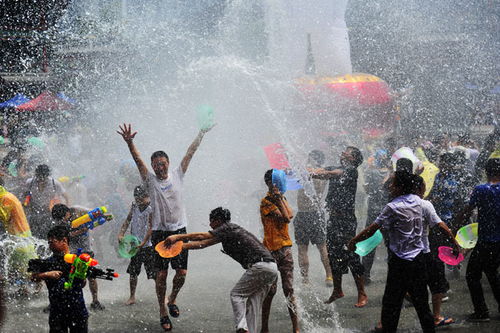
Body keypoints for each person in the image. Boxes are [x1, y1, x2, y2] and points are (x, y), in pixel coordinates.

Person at [117, 123, 213, 331]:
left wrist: (201, 133)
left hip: (179, 231)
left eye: (162, 163)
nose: (159, 168)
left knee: (182, 274)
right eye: (156, 165)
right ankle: (162, 311)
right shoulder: (150, 181)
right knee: (161, 275)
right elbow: (138, 160)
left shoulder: (178, 174)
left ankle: (172, 299)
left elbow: (190, 152)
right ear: (152, 167)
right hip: (160, 233)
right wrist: (130, 143)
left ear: (168, 163)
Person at [347, 171, 459, 333]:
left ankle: (388, 328)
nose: (390, 187)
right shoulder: (423, 204)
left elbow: (373, 229)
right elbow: (441, 226)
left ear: (400, 187)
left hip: (398, 262)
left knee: (391, 303)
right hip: (419, 261)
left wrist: (354, 241)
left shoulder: (392, 207)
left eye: (393, 184)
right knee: (421, 302)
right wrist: (454, 242)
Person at [164, 207, 278, 333]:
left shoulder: (227, 227)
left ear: (218, 221)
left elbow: (202, 236)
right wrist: (178, 247)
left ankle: (242, 328)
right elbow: (203, 243)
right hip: (271, 268)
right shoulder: (228, 231)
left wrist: (177, 237)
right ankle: (250, 330)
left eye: (211, 221)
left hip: (261, 265)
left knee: (236, 295)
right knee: (253, 302)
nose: (210, 224)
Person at [310, 146, 367, 308]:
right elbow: (321, 171)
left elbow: (330, 174)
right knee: (333, 253)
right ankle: (337, 290)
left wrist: (317, 173)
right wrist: (303, 170)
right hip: (333, 220)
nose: (343, 153)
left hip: (347, 220)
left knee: (351, 255)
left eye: (347, 152)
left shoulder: (351, 171)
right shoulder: (337, 168)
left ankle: (362, 293)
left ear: (354, 159)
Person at [458, 158, 500, 322]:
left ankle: (481, 311)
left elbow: (468, 211)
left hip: (486, 240)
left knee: (472, 275)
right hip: (498, 240)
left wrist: (455, 226)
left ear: (486, 171)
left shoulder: (481, 189)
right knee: (491, 272)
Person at [260, 169, 299, 333]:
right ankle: (265, 328)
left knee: (289, 289)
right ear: (269, 184)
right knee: (270, 291)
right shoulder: (266, 202)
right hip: (270, 251)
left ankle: (296, 328)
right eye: (275, 182)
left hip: (285, 249)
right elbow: (285, 218)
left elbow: (290, 215)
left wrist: (280, 198)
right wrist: (278, 199)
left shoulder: (282, 198)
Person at [30, 226, 88, 332]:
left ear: (64, 240)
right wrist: (47, 274)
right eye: (49, 243)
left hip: (77, 309)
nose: (50, 245)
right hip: (57, 311)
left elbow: (82, 284)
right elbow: (33, 278)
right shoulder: (47, 262)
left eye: (53, 242)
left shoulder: (77, 260)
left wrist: (81, 275)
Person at [51, 204, 105, 311]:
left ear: (67, 212)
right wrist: (80, 231)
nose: (62, 220)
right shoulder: (59, 222)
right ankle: (67, 300)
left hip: (86, 247)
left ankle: (95, 301)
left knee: (91, 274)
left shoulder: (77, 210)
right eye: (60, 219)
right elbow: (65, 236)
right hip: (72, 249)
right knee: (70, 275)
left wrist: (99, 217)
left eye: (63, 218)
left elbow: (93, 213)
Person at [293, 150, 332, 285]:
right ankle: (329, 276)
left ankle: (305, 279)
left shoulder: (304, 172)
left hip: (303, 213)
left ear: (311, 158)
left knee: (302, 248)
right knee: (322, 246)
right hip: (317, 213)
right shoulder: (323, 173)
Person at [117, 185, 154, 305]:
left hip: (148, 245)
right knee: (133, 272)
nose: (138, 201)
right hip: (135, 245)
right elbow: (127, 220)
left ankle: (161, 295)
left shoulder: (151, 208)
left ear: (147, 197)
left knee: (154, 273)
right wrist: (121, 234)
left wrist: (143, 242)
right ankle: (132, 296)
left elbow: (151, 227)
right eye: (136, 198)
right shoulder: (134, 206)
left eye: (140, 199)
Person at [362, 149, 390, 283]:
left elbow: (367, 190)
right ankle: (395, 272)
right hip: (388, 212)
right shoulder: (392, 174)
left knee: (369, 242)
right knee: (391, 243)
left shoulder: (371, 173)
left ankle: (365, 275)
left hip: (373, 211)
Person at [25, 164, 69, 239]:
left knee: (48, 235)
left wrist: (66, 212)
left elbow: (66, 197)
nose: (41, 181)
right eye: (39, 178)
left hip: (49, 215)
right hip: (34, 214)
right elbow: (25, 196)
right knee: (34, 236)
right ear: (36, 175)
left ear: (47, 176)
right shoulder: (30, 182)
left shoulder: (55, 183)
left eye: (43, 178)